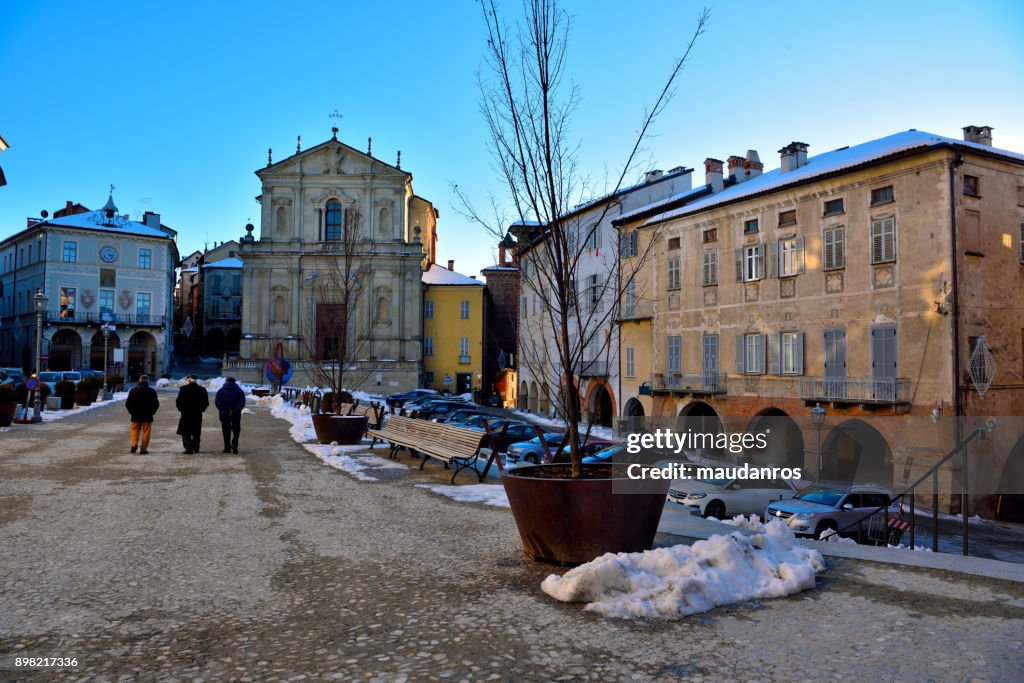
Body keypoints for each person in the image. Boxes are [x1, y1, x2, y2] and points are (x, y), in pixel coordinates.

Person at [125, 375, 159, 454]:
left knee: (134, 430)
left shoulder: (133, 390)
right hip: (147, 415)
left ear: (139, 380)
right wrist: (152, 412)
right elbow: (156, 404)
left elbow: (128, 403)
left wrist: (131, 412)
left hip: (135, 415)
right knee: (146, 432)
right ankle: (143, 449)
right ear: (148, 381)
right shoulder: (152, 391)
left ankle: (134, 444)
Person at [175, 375, 209, 454]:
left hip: (186, 414)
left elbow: (178, 401)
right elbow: (206, 402)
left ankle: (188, 448)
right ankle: (196, 447)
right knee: (196, 431)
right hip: (197, 414)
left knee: (185, 432)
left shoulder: (183, 389)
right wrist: (201, 409)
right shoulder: (202, 390)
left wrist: (181, 410)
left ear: (189, 380)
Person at [215, 376, 246, 454]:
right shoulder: (239, 391)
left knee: (226, 432)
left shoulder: (221, 391)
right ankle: (235, 444)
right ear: (234, 382)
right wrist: (234, 410)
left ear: (226, 381)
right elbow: (242, 402)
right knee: (236, 430)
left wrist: (225, 411)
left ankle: (227, 448)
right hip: (236, 415)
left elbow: (217, 402)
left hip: (224, 415)